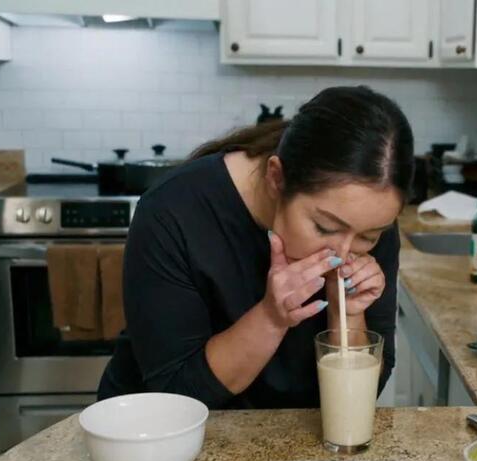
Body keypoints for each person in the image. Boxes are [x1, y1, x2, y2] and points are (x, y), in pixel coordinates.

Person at [97, 86, 414, 409]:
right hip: (155, 427)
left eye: (368, 238)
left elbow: (361, 395)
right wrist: (272, 318)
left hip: (291, 432)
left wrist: (348, 313)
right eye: (324, 227)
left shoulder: (368, 216)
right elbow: (179, 393)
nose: (343, 254)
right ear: (276, 178)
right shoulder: (172, 211)